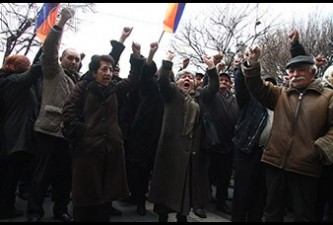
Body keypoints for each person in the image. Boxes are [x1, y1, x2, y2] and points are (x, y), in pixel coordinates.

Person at [241, 30, 333, 222]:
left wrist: (321, 148)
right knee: (271, 211)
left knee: (302, 215)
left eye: (301, 70)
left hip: (306, 167)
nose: (295, 74)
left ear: (312, 72)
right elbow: (256, 86)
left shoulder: (328, 96)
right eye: (291, 71)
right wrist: (253, 64)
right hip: (275, 162)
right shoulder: (280, 94)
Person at [61, 41, 144, 222]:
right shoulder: (83, 87)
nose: (108, 73)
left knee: (105, 199)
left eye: (110, 69)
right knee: (85, 197)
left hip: (112, 149)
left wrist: (136, 57)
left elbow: (134, 79)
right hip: (87, 150)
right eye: (104, 69)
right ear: (94, 72)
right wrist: (80, 131)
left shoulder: (116, 88)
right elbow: (68, 110)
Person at [148, 50, 219, 222]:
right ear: (177, 81)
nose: (187, 79)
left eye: (191, 78)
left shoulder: (199, 97)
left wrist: (211, 67)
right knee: (166, 187)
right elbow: (163, 80)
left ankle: (183, 215)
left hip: (191, 153)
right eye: (183, 77)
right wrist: (168, 61)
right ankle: (163, 216)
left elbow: (214, 87)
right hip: (170, 151)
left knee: (186, 189)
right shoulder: (171, 94)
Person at [27, 8, 80, 222]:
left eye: (77, 59)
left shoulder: (78, 81)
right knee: (40, 177)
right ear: (62, 58)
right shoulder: (52, 72)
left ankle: (60, 210)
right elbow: (49, 49)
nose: (74, 62)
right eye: (70, 58)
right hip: (48, 132)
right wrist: (61, 23)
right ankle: (34, 212)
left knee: (64, 179)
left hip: (67, 136)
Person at [231, 56, 276, 222]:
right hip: (247, 152)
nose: (269, 86)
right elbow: (241, 87)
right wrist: (245, 66)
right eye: (266, 83)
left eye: (273, 84)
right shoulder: (250, 100)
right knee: (242, 195)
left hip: (268, 156)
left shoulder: (279, 105)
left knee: (259, 197)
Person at [0, 55, 41, 220]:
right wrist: (51, 38)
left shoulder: (8, 81)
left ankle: (6, 206)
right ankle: (5, 209)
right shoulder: (15, 81)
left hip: (12, 135)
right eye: (27, 65)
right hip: (14, 138)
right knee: (10, 177)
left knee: (10, 176)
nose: (30, 67)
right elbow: (37, 68)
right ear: (18, 67)